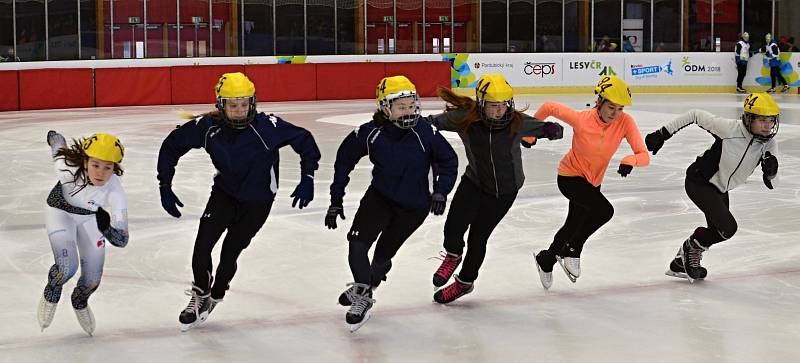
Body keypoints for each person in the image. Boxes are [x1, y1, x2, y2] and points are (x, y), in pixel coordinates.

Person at [157, 72, 321, 331]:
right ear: (221, 105)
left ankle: (218, 292)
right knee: (202, 247)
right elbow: (172, 145)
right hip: (224, 195)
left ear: (253, 102)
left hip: (258, 201)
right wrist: (164, 184)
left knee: (229, 253)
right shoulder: (207, 127)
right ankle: (199, 294)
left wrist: (308, 177)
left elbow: (304, 140)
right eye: (233, 105)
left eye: (245, 104)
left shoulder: (267, 126)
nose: (239, 111)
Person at [326, 75, 458, 331]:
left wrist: (441, 191)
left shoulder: (425, 132)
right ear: (385, 108)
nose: (408, 111)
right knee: (356, 245)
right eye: (401, 107)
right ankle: (363, 297)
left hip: (414, 207)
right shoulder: (369, 133)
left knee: (382, 257)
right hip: (380, 198)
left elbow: (449, 161)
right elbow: (343, 162)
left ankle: (363, 286)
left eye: (411, 105)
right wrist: (335, 200)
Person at [427, 74, 564, 304]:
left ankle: (465, 283)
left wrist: (551, 129)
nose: (500, 111)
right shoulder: (465, 118)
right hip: (474, 182)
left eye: (504, 105)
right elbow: (431, 123)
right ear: (481, 103)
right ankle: (453, 255)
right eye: (493, 106)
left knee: (478, 237)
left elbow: (548, 129)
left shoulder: (516, 121)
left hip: (504, 191)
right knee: (453, 227)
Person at [644, 93, 779, 283]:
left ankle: (681, 262)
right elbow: (695, 114)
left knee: (719, 231)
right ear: (749, 118)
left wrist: (771, 171)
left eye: (771, 120)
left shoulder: (769, 144)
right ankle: (690, 249)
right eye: (762, 120)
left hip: (721, 189)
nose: (768, 126)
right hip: (699, 182)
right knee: (728, 227)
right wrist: (663, 133)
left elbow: (772, 182)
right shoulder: (729, 129)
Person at [532, 75, 650, 290]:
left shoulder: (625, 122)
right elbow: (548, 107)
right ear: (600, 102)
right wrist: (531, 134)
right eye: (611, 107)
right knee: (604, 211)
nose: (615, 114)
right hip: (569, 177)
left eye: (620, 109)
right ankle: (574, 249)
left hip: (592, 182)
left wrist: (629, 160)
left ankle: (546, 259)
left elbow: (643, 155)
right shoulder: (582, 119)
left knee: (572, 225)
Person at [37, 131, 129, 336]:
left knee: (92, 280)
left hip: (89, 218)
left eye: (108, 167)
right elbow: (58, 145)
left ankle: (79, 302)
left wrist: (106, 228)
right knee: (66, 268)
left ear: (115, 168)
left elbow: (122, 240)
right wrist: (55, 138)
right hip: (59, 212)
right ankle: (52, 292)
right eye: (95, 165)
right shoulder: (66, 168)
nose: (101, 173)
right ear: (85, 161)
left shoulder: (115, 189)